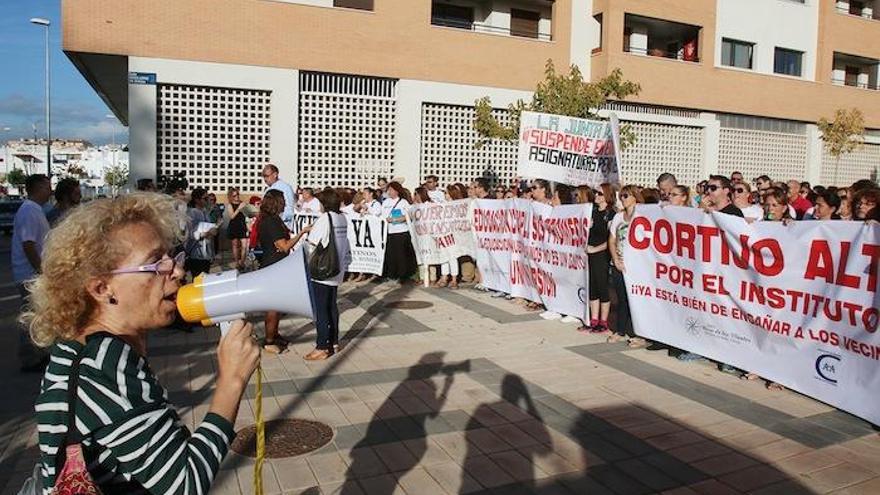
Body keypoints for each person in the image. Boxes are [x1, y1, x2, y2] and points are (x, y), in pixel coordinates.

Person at [25, 192, 260, 493]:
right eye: (154, 264)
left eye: (170, 257)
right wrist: (232, 379)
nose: (176, 271)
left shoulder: (77, 346)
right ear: (102, 288)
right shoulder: (107, 366)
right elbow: (184, 484)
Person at [257, 190, 311, 354]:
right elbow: (284, 246)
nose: (285, 203)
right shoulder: (271, 222)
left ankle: (274, 334)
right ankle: (269, 340)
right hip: (274, 267)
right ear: (276, 203)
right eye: (282, 200)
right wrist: (302, 233)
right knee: (273, 307)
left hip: (275, 265)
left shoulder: (270, 220)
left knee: (278, 306)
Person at [304, 188, 351, 360]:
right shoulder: (342, 217)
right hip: (337, 268)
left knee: (321, 309)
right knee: (332, 306)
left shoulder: (325, 219)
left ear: (324, 204)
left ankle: (322, 346)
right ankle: (334, 342)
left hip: (323, 270)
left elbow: (312, 244)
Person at [12, 174, 52, 372]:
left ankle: (39, 354)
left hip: (32, 273)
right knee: (31, 316)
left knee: (38, 314)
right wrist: (39, 270)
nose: (50, 190)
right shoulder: (29, 210)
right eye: (47, 186)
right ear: (38, 188)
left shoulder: (35, 209)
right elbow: (28, 244)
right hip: (30, 275)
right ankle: (29, 358)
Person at [608, 185, 645, 347]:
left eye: (626, 196)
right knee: (621, 299)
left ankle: (638, 332)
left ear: (635, 197)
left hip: (637, 267)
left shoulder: (643, 215)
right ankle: (620, 330)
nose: (622, 199)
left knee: (637, 300)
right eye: (621, 196)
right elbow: (612, 239)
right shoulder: (618, 217)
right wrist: (615, 259)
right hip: (620, 263)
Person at [581, 184, 615, 334]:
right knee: (592, 286)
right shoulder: (592, 211)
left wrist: (595, 249)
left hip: (601, 254)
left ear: (607, 195)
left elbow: (610, 240)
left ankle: (604, 321)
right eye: (595, 193)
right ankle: (594, 319)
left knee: (602, 287)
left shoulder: (611, 214)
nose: (596, 196)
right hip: (590, 253)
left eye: (600, 194)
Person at [382, 181, 417, 282]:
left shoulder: (403, 202)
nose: (389, 192)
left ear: (397, 191)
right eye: (388, 190)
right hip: (389, 232)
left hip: (401, 231)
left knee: (401, 255)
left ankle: (403, 275)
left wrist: (394, 220)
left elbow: (408, 216)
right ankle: (392, 274)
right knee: (391, 254)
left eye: (391, 190)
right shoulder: (385, 202)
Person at [185, 187, 217, 279]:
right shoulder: (192, 213)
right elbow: (191, 234)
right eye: (205, 198)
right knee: (198, 280)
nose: (207, 201)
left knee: (205, 279)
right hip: (196, 254)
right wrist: (205, 233)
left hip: (206, 253)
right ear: (197, 200)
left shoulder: (205, 212)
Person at [223, 187, 250, 270]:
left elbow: (248, 215)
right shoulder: (230, 205)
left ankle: (242, 262)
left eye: (237, 194)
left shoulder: (243, 203)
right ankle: (237, 262)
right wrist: (239, 208)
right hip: (234, 226)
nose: (237, 197)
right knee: (235, 245)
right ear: (231, 196)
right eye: (234, 196)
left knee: (244, 245)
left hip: (242, 225)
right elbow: (232, 216)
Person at [262, 163, 296, 229]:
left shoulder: (285, 188)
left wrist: (278, 220)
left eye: (267, 176)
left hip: (281, 226)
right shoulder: (268, 189)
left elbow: (290, 209)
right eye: (263, 176)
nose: (265, 179)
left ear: (275, 174)